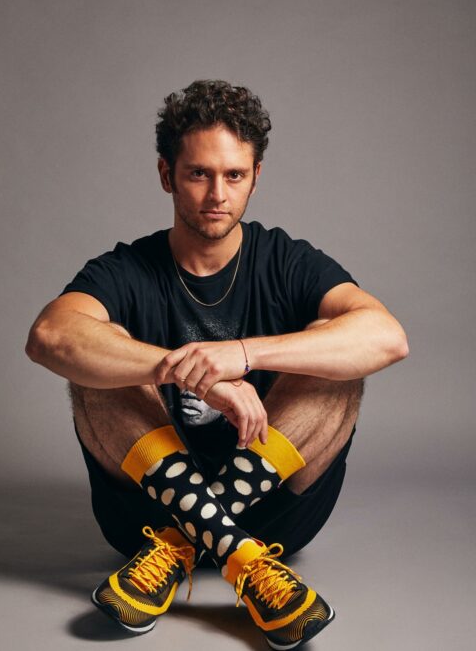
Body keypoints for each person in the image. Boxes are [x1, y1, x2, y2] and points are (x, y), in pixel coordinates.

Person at [25, 79, 409, 649]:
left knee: (337, 350)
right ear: (166, 175)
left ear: (256, 178)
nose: (216, 194)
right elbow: (49, 336)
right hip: (141, 515)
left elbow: (387, 337)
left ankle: (187, 541)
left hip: (272, 513)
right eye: (198, 173)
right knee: (98, 356)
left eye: (234, 175)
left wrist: (243, 354)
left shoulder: (285, 260)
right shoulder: (129, 267)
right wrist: (183, 370)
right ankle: (239, 557)